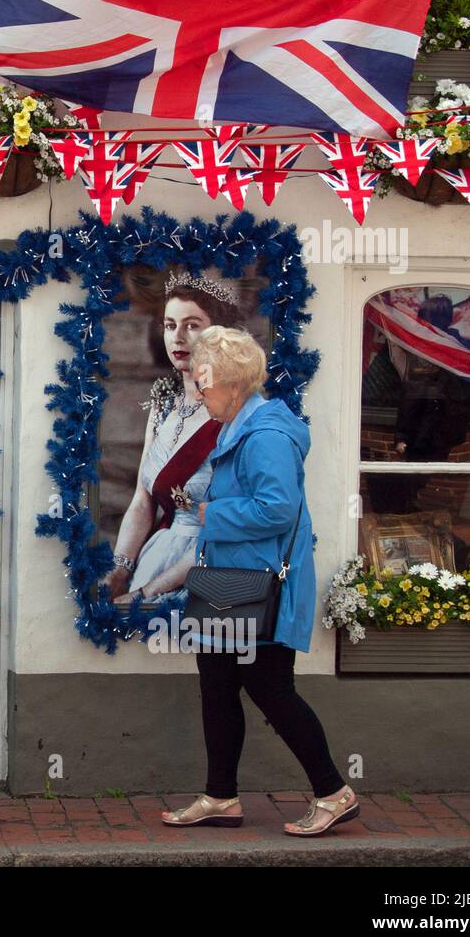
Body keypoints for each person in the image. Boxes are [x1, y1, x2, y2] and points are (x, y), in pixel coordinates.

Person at [159, 325, 360, 837]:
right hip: (230, 580)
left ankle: (334, 792)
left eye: (203, 384)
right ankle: (220, 796)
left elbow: (276, 508)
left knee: (271, 689)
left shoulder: (266, 433)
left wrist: (211, 513)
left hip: (260, 585)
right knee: (217, 686)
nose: (199, 393)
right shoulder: (236, 426)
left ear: (228, 381)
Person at [105, 273, 242, 637]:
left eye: (192, 325)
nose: (177, 338)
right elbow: (142, 500)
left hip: (204, 566)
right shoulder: (164, 403)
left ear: (219, 335)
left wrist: (148, 592)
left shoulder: (233, 414)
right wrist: (120, 568)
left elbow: (224, 528)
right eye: (170, 325)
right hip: (157, 554)